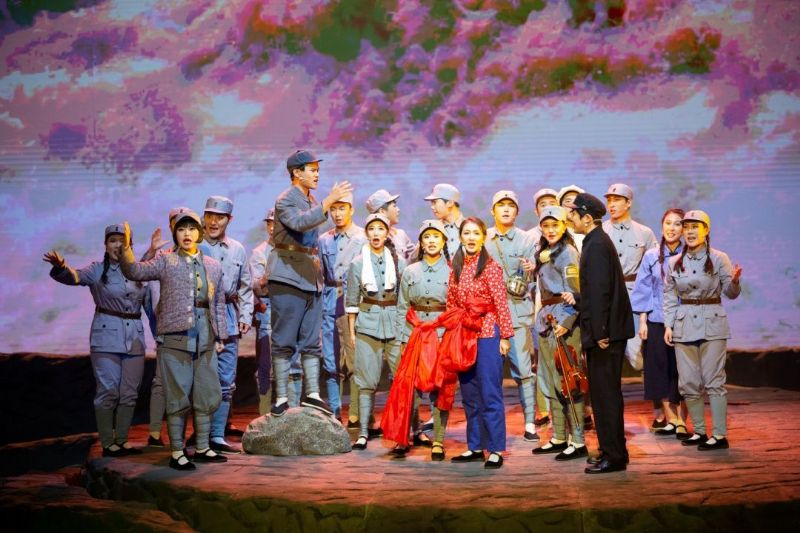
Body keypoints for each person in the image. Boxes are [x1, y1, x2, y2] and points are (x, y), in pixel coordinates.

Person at [119, 211, 229, 470]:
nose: (186, 233)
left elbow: (218, 302)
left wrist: (220, 335)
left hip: (205, 337)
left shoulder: (213, 265)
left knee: (205, 392)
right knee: (177, 395)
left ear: (199, 233)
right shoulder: (165, 260)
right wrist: (127, 248)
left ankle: (202, 447)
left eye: (191, 228)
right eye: (181, 229)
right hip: (175, 337)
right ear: (175, 234)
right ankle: (177, 451)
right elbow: (134, 271)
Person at [44, 224, 148, 457]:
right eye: (113, 240)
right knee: (108, 390)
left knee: (129, 393)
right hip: (106, 337)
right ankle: (108, 443)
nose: (118, 245)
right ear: (105, 245)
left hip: (135, 337)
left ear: (129, 246)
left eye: (123, 241)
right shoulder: (97, 269)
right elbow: (75, 277)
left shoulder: (138, 272)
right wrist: (61, 267)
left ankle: (122, 440)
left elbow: (150, 305)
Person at [267, 149, 352, 417]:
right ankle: (281, 397)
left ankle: (312, 393)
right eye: (312, 170)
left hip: (310, 278)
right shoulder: (285, 199)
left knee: (311, 340)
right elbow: (299, 223)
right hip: (288, 276)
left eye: (317, 170)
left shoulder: (311, 199)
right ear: (296, 172)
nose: (317, 174)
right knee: (284, 339)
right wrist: (329, 201)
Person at [564, 193, 633, 474]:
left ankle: (614, 457)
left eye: (574, 214)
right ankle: (611, 450)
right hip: (605, 330)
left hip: (606, 334)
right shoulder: (595, 242)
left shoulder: (596, 245)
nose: (570, 219)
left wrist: (601, 331)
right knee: (604, 395)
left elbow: (602, 291)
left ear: (587, 217)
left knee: (606, 396)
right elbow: (594, 292)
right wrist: (579, 301)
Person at [664, 210, 742, 450]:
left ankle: (719, 435)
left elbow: (731, 294)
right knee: (688, 382)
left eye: (695, 227)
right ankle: (698, 431)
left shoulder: (719, 258)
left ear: (706, 230)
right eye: (686, 227)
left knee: (714, 380)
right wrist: (668, 325)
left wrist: (735, 282)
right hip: (684, 324)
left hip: (712, 323)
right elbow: (669, 296)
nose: (689, 231)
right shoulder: (674, 262)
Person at [445, 218, 514, 469]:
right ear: (460, 237)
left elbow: (501, 303)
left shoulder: (491, 267)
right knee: (470, 394)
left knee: (490, 392)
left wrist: (505, 336)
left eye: (476, 233)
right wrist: (451, 332)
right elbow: (451, 302)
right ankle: (475, 446)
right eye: (467, 233)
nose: (471, 238)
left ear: (483, 237)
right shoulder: (456, 267)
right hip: (464, 335)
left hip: (487, 333)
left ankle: (495, 448)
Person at [382, 220, 452, 459]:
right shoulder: (411, 271)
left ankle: (438, 440)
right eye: (427, 237)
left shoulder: (452, 272)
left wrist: (449, 337)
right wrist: (401, 340)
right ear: (421, 242)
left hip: (440, 335)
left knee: (439, 390)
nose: (431, 241)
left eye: (436, 236)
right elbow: (402, 307)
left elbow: (454, 308)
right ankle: (406, 436)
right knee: (408, 389)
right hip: (414, 335)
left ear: (444, 241)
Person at [529, 206, 587, 460]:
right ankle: (559, 436)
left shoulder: (568, 253)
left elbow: (575, 291)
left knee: (568, 380)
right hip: (546, 320)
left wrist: (568, 319)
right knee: (550, 380)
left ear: (564, 226)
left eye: (555, 225)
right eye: (546, 225)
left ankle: (578, 440)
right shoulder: (544, 253)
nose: (551, 230)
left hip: (562, 321)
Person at [346, 213, 406, 450]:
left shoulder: (399, 261)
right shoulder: (357, 263)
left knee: (402, 379)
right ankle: (363, 432)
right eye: (371, 229)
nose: (376, 233)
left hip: (394, 324)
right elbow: (352, 301)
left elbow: (403, 297)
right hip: (367, 325)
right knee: (366, 380)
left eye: (380, 228)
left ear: (387, 232)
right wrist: (352, 333)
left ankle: (407, 429)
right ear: (366, 233)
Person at [199, 195, 254, 453]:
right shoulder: (194, 246)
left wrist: (245, 316)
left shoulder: (237, 249)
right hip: (201, 316)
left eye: (219, 217)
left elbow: (245, 286)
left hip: (229, 318)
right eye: (209, 216)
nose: (213, 222)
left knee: (225, 381)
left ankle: (217, 435)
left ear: (229, 220)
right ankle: (201, 434)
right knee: (200, 379)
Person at [630, 208, 689, 439]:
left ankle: (682, 420)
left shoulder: (690, 254)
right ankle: (671, 419)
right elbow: (643, 289)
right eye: (668, 223)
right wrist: (643, 321)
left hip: (683, 321)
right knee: (659, 371)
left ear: (684, 229)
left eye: (677, 224)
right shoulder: (651, 255)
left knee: (682, 372)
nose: (672, 228)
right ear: (662, 226)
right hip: (656, 320)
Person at [486, 190, 538, 441]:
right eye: (501, 205)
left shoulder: (527, 239)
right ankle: (493, 425)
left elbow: (532, 275)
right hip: (488, 316)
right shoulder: (483, 238)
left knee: (524, 371)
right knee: (489, 373)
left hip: (516, 312)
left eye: (510, 206)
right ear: (492, 210)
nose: (506, 209)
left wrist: (531, 269)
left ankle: (530, 423)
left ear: (517, 211)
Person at [140, 206, 191, 447]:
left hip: (193, 330)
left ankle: (181, 435)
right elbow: (140, 276)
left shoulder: (197, 255)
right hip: (166, 330)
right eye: (176, 223)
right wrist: (151, 251)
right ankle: (154, 434)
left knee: (187, 384)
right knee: (161, 382)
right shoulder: (161, 257)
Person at [318, 193, 366, 422]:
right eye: (333, 209)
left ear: (351, 210)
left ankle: (356, 413)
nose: (337, 214)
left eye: (342, 208)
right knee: (330, 360)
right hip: (329, 301)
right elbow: (320, 274)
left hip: (353, 303)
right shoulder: (324, 240)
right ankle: (335, 412)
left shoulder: (362, 238)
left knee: (355, 359)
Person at [602, 183, 658, 375]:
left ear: (628, 203)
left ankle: (655, 388)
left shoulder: (644, 233)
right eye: (609, 200)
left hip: (635, 295)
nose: (611, 204)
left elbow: (654, 268)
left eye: (617, 200)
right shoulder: (600, 231)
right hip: (609, 296)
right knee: (609, 351)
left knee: (636, 355)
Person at [528, 188, 560, 428]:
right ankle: (545, 411)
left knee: (563, 362)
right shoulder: (532, 239)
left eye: (552, 203)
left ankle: (569, 418)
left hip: (562, 309)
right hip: (539, 304)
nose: (547, 207)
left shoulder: (566, 243)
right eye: (542, 204)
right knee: (542, 361)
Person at [249, 208, 275, 415]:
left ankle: (289, 409)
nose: (272, 227)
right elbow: (255, 287)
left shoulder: (293, 250)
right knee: (265, 363)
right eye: (269, 223)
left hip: (289, 311)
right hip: (267, 310)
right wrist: (265, 280)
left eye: (276, 223)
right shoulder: (259, 252)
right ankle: (264, 411)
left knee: (292, 362)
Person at [366, 189, 415, 262]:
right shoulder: (365, 239)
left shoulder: (400, 234)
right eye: (394, 206)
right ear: (382, 211)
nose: (398, 209)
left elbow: (412, 261)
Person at [425, 183, 465, 257]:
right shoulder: (432, 228)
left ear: (450, 203)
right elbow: (415, 259)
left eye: (434, 202)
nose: (432, 207)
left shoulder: (470, 228)